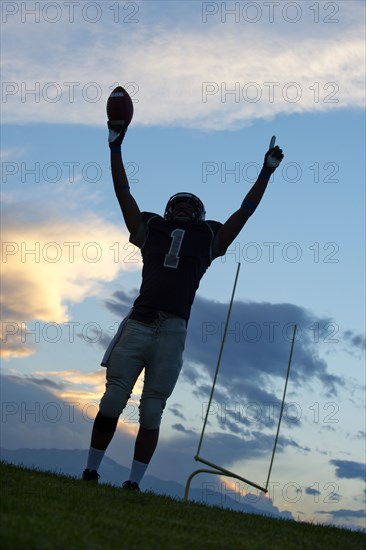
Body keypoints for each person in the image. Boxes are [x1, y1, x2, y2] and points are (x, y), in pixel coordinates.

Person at [82, 120, 284, 490]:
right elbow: (122, 193)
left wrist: (265, 173)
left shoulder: (209, 238)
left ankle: (133, 482)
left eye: (190, 207)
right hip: (140, 323)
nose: (183, 210)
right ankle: (91, 470)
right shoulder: (151, 229)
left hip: (172, 330)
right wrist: (115, 147)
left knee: (152, 410)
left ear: (200, 214)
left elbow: (245, 211)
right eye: (179, 205)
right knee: (112, 401)